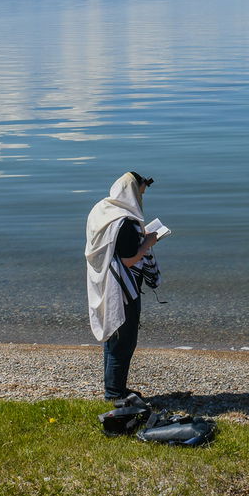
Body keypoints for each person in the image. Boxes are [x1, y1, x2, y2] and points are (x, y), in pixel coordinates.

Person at [85, 171, 160, 402]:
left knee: (112, 336)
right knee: (124, 341)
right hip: (121, 290)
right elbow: (128, 258)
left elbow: (114, 247)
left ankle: (114, 389)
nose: (141, 200)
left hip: (102, 280)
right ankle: (115, 394)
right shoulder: (125, 222)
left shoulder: (102, 210)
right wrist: (149, 241)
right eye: (140, 194)